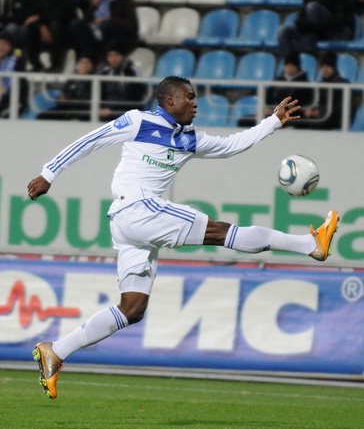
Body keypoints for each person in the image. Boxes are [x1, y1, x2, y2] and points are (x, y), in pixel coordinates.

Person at [26, 76, 340, 400]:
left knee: (132, 309)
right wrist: (49, 173)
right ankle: (310, 245)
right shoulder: (138, 121)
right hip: (136, 209)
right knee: (220, 231)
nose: (195, 103)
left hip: (134, 225)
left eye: (195, 97)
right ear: (170, 100)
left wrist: (273, 121)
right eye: (189, 97)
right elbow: (90, 140)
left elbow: (233, 145)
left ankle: (56, 350)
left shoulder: (190, 138)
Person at [277, 0, 354, 58]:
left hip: (338, 33)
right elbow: (302, 15)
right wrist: (300, 23)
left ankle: (309, 53)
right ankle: (290, 62)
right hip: (315, 33)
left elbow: (339, 21)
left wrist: (314, 26)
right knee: (284, 32)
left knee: (313, 7)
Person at [68, 0, 138, 64]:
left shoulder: (125, 0)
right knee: (76, 24)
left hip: (116, 36)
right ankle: (85, 62)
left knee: (106, 26)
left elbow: (131, 25)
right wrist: (93, 5)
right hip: (95, 33)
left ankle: (103, 61)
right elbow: (87, 19)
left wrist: (108, 19)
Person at [22, 0, 77, 72]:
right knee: (28, 28)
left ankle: (56, 65)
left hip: (64, 30)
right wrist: (42, 26)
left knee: (56, 25)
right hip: (42, 28)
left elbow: (62, 14)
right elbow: (31, 15)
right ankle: (35, 64)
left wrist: (40, 18)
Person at [255, 51, 314, 125]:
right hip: (275, 112)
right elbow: (268, 98)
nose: (289, 67)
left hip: (293, 115)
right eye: (287, 65)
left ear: (297, 66)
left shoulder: (304, 83)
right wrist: (268, 108)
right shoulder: (277, 80)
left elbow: (306, 104)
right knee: (250, 120)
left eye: (292, 65)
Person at [295, 51, 349, 130]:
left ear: (334, 67)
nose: (324, 69)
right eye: (322, 66)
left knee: (313, 126)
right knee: (296, 122)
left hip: (334, 118)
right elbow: (313, 102)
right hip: (320, 116)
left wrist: (320, 112)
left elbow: (341, 107)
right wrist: (309, 110)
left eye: (327, 66)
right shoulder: (320, 84)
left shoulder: (343, 84)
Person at [37, 54, 94, 121]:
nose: (84, 65)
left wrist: (72, 101)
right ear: (77, 65)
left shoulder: (94, 81)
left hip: (82, 110)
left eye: (87, 62)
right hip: (66, 108)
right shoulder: (71, 80)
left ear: (91, 66)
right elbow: (63, 94)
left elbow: (87, 100)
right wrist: (62, 98)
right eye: (82, 62)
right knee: (42, 116)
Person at [97, 43, 146, 121]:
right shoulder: (104, 72)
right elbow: (100, 95)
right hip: (107, 112)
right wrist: (102, 108)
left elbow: (135, 97)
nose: (113, 58)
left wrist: (113, 111)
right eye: (110, 55)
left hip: (127, 111)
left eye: (116, 55)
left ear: (123, 56)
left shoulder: (132, 72)